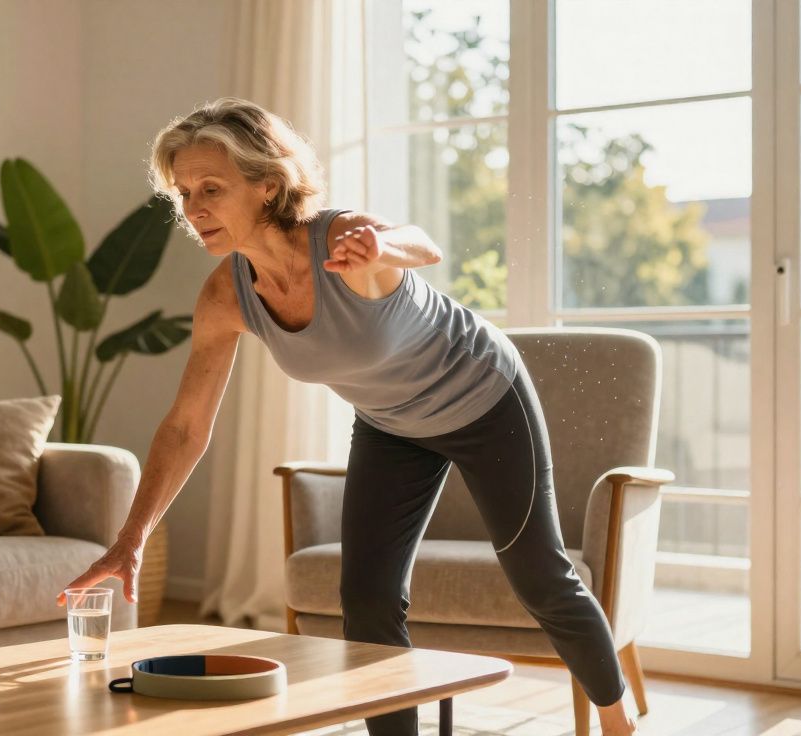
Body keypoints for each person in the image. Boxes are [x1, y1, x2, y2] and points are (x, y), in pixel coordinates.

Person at [58, 97, 639, 736]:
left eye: (213, 188)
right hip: (391, 424)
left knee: (541, 580)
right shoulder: (227, 295)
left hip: (483, 398)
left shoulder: (339, 238)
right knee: (366, 597)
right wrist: (131, 537)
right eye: (185, 191)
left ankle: (618, 723)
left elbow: (424, 245)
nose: (194, 209)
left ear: (267, 186)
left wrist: (378, 246)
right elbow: (185, 426)